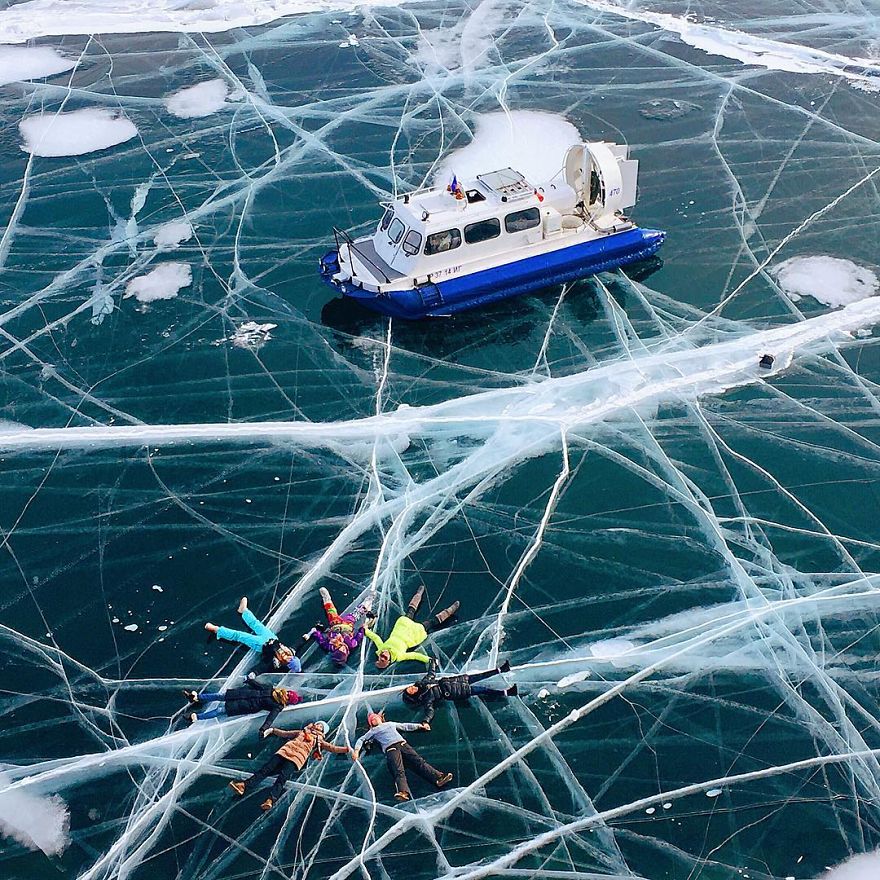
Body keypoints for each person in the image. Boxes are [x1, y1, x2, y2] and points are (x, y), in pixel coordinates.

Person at [228, 720, 350, 811]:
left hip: (296, 759)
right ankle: (244, 785)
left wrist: (346, 749)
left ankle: (270, 799)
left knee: (282, 778)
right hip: (284, 752)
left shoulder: (319, 741)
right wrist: (273, 730)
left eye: (321, 726)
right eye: (318, 724)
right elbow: (285, 734)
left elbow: (332, 748)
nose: (318, 726)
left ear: (323, 731)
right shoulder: (301, 732)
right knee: (265, 769)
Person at [351, 711, 453, 802]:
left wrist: (420, 726)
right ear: (370, 724)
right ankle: (403, 792)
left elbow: (405, 726)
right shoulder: (372, 731)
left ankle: (439, 777)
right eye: (372, 720)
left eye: (375, 717)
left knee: (419, 762)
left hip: (402, 744)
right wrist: (356, 751)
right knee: (398, 769)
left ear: (380, 718)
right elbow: (361, 740)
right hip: (391, 749)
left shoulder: (390, 724)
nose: (374, 719)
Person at [364, 586, 459, 669]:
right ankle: (450, 610)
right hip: (412, 634)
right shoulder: (399, 656)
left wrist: (365, 630)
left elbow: (376, 638)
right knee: (432, 622)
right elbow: (414, 655)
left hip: (402, 628)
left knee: (410, 610)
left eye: (381, 656)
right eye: (384, 658)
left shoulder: (382, 647)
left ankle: (418, 594)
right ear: (389, 661)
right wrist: (429, 660)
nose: (383, 655)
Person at [184, 673, 301, 736]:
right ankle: (197, 698)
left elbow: (270, 718)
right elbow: (258, 686)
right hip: (242, 696)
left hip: (244, 704)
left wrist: (264, 728)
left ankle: (196, 717)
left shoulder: (277, 705)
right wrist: (249, 680)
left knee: (220, 709)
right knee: (220, 697)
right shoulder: (273, 691)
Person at [204, 597, 301, 673]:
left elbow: (264, 666)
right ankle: (244, 611)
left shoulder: (277, 663)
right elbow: (299, 644)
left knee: (240, 636)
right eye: (292, 658)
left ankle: (217, 630)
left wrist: (255, 673)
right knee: (256, 623)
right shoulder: (291, 652)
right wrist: (309, 635)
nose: (289, 658)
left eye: (290, 661)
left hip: (261, 644)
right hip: (272, 638)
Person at [401, 660, 517, 724]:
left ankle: (502, 669)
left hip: (459, 680)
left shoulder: (424, 683)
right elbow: (430, 711)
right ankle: (507, 692)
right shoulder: (427, 699)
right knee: (483, 690)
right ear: (413, 695)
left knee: (482, 675)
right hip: (458, 691)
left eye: (410, 687)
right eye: (411, 691)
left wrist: (433, 663)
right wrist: (426, 721)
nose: (412, 688)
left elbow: (431, 673)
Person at [302, 587, 372, 667]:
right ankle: (368, 601)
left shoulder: (330, 646)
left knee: (331, 612)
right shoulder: (351, 644)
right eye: (343, 651)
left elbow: (321, 640)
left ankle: (327, 599)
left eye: (339, 649)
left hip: (335, 625)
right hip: (347, 625)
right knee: (357, 613)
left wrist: (314, 633)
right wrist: (362, 628)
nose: (342, 648)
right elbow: (358, 637)